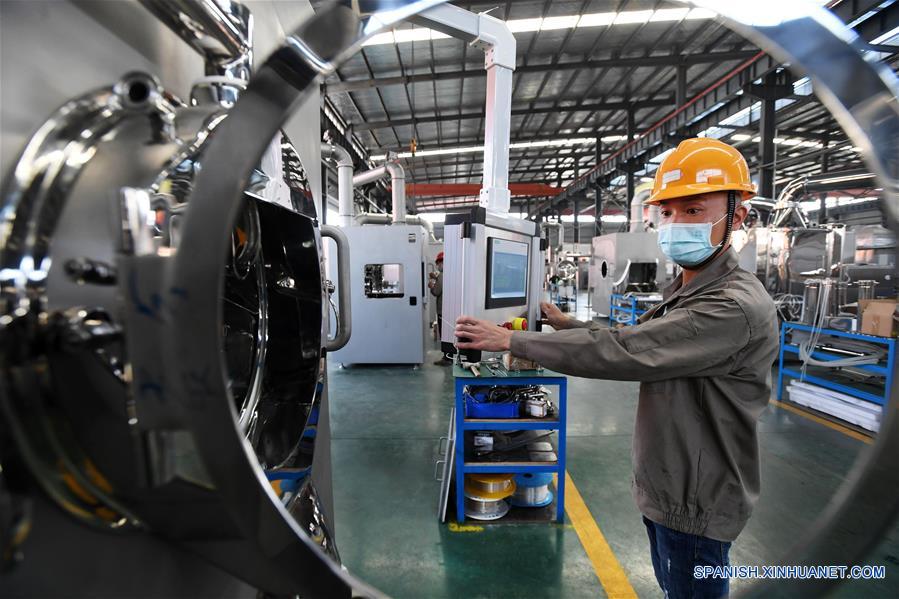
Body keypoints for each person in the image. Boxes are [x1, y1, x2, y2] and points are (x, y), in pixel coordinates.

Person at [455, 138, 779, 599]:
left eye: (692, 210)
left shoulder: (730, 307)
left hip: (696, 498)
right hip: (674, 485)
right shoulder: (689, 289)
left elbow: (625, 352)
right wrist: (570, 324)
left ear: (737, 215)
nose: (673, 223)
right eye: (666, 212)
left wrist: (513, 339)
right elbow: (640, 339)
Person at [428, 251, 450, 365]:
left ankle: (447, 358)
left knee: (444, 334)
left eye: (439, 263)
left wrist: (431, 286)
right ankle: (450, 356)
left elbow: (437, 291)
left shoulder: (442, 275)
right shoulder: (451, 273)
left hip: (443, 309)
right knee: (450, 333)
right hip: (450, 309)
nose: (437, 266)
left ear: (443, 263)